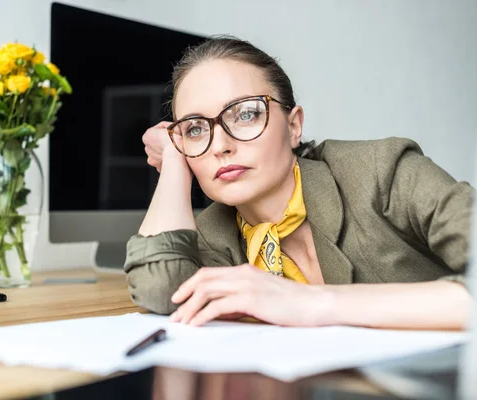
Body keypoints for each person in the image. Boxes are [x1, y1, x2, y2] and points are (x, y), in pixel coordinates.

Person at [123, 36, 474, 330]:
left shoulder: (382, 173)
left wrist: (315, 303)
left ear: (294, 126)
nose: (220, 146)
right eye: (196, 128)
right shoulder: (213, 236)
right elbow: (159, 289)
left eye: (245, 114)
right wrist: (173, 162)